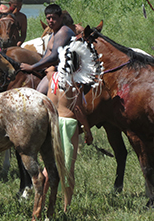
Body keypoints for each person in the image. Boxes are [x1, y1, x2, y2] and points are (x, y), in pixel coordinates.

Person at [45, 66, 93, 211]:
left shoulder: (52, 77)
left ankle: (40, 202)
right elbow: (77, 109)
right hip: (68, 124)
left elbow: (48, 70)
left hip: (52, 123)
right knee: (67, 168)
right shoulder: (73, 83)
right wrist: (87, 130)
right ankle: (66, 208)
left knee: (48, 167)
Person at [20, 4, 75, 94]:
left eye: (53, 18)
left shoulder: (63, 32)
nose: (50, 21)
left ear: (61, 17)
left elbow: (53, 57)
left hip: (63, 71)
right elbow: (47, 55)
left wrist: (32, 67)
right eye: (48, 18)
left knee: (40, 92)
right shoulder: (54, 33)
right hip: (51, 68)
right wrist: (38, 68)